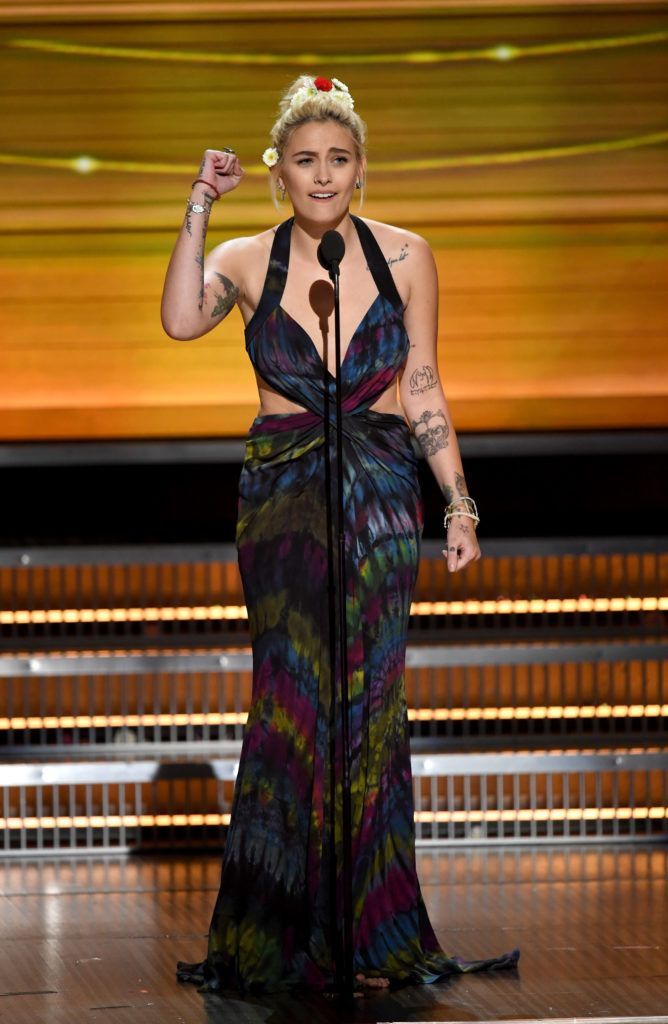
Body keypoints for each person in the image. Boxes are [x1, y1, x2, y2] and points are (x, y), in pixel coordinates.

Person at [161, 75, 519, 996]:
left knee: (369, 706)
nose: (325, 177)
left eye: (341, 159)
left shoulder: (407, 255)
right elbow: (177, 321)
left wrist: (460, 502)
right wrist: (200, 203)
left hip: (378, 496)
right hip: (282, 499)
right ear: (279, 171)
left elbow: (424, 382)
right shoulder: (246, 258)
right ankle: (277, 930)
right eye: (307, 161)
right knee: (293, 702)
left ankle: (370, 928)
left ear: (362, 165)